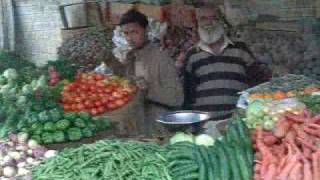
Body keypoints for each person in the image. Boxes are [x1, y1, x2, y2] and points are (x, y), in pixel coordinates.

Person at [183, 3, 270, 136]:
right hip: (206, 127)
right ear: (197, 23)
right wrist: (193, 127)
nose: (209, 22)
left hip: (236, 124)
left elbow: (258, 86)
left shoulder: (240, 49)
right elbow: (189, 95)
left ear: (222, 21)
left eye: (213, 18)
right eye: (203, 19)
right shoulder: (192, 55)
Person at [119, 9, 184, 135]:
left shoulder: (161, 58)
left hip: (157, 127)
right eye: (126, 33)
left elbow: (177, 98)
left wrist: (148, 90)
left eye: (134, 32)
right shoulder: (130, 57)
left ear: (146, 30)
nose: (129, 38)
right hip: (136, 125)